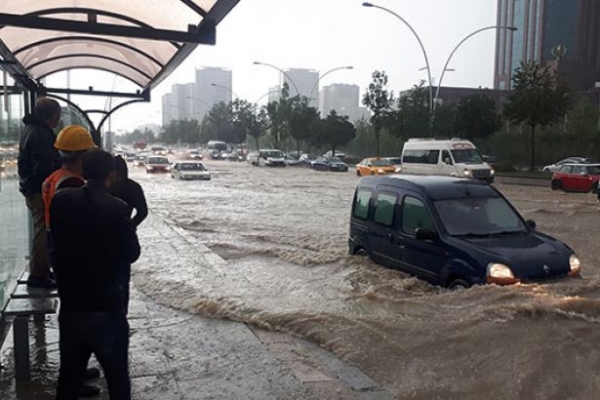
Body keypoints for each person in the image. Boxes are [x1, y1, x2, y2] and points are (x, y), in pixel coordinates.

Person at [50, 149, 140, 400]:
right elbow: (132, 253)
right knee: (118, 380)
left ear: (82, 171)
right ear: (111, 175)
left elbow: (53, 243)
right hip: (106, 309)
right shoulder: (118, 208)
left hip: (71, 308)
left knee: (68, 380)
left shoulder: (61, 200)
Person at [41, 125, 101, 398]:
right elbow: (84, 227)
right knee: (78, 319)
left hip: (60, 252)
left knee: (74, 316)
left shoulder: (54, 177)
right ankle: (73, 378)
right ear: (81, 156)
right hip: (73, 258)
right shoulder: (73, 184)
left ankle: (77, 368)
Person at [18, 97, 62, 288]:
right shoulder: (42, 134)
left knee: (41, 229)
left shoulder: (31, 130)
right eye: (58, 117)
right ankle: (38, 275)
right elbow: (44, 166)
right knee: (43, 231)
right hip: (39, 190)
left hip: (31, 188)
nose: (58, 121)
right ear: (52, 115)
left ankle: (41, 271)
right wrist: (48, 184)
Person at [111, 155, 148, 314]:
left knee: (121, 278)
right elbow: (142, 212)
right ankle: (120, 312)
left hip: (119, 239)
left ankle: (120, 311)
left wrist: (131, 226)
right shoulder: (133, 187)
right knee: (121, 279)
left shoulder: (110, 186)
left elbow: (143, 212)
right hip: (122, 238)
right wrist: (131, 226)